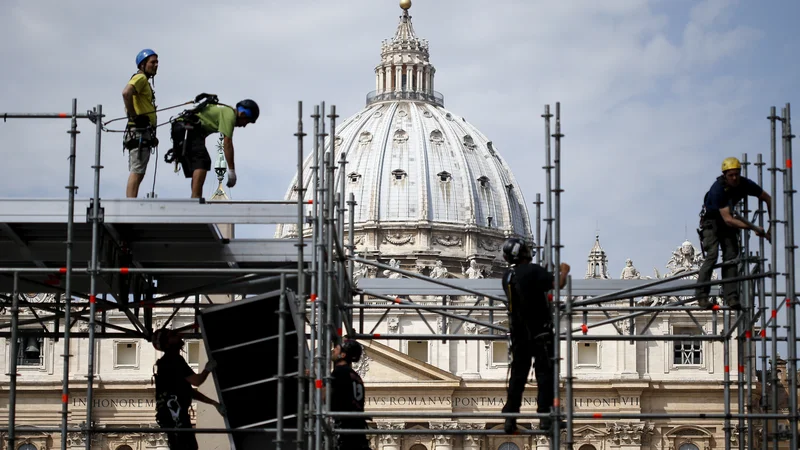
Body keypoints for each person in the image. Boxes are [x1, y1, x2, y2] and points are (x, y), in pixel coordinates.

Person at [499, 237, 569, 434]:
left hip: (518, 334)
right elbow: (558, 285)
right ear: (526, 254)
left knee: (517, 376)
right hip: (540, 332)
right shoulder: (534, 271)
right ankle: (545, 416)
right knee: (545, 374)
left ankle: (510, 417)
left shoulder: (507, 277)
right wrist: (564, 270)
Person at [695, 156, 772, 310]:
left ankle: (731, 297)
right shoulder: (718, 189)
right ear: (725, 175)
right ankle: (702, 296)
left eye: (737, 173)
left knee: (731, 257)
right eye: (731, 175)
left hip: (726, 224)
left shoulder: (744, 184)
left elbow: (768, 198)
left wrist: (771, 226)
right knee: (712, 256)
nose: (734, 178)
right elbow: (729, 220)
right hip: (712, 223)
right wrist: (755, 228)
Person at [166, 95, 259, 198]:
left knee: (199, 163)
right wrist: (232, 171)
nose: (244, 125)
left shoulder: (224, 111)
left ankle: (194, 198)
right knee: (202, 161)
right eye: (247, 121)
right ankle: (195, 200)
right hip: (187, 129)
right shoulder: (230, 115)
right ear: (242, 114)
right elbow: (227, 143)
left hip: (183, 129)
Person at [152, 328, 225, 450]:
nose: (179, 336)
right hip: (176, 417)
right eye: (173, 335)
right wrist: (208, 369)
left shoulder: (165, 363)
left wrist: (213, 403)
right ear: (167, 343)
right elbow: (197, 381)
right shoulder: (174, 360)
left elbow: (187, 391)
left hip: (173, 417)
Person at [122, 48, 159, 198]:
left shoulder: (143, 81)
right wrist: (134, 117)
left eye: (157, 62)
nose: (156, 65)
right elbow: (126, 93)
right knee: (137, 171)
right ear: (143, 64)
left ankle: (131, 202)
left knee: (140, 171)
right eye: (153, 62)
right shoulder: (141, 78)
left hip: (144, 131)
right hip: (139, 131)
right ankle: (130, 206)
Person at [329, 339, 372, 450]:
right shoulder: (356, 377)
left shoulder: (339, 372)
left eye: (336, 349)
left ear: (343, 354)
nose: (333, 351)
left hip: (344, 431)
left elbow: (322, 396)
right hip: (357, 430)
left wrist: (313, 381)